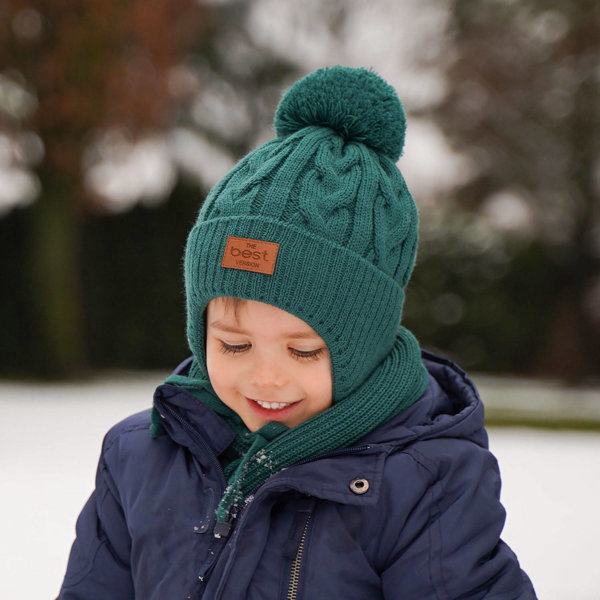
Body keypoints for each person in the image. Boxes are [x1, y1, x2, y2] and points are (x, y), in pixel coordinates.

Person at [56, 66, 537, 599]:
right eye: (233, 344)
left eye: (304, 351)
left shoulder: (424, 483)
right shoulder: (138, 458)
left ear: (365, 344)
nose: (265, 376)